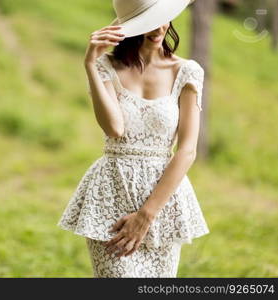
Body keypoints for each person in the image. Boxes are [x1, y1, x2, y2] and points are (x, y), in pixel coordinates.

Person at [57, 0, 210, 278]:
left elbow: (187, 150)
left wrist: (146, 215)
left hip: (164, 201)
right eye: (146, 22)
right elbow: (114, 128)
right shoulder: (107, 67)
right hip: (111, 193)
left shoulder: (187, 71)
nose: (157, 28)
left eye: (161, 17)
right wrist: (90, 63)